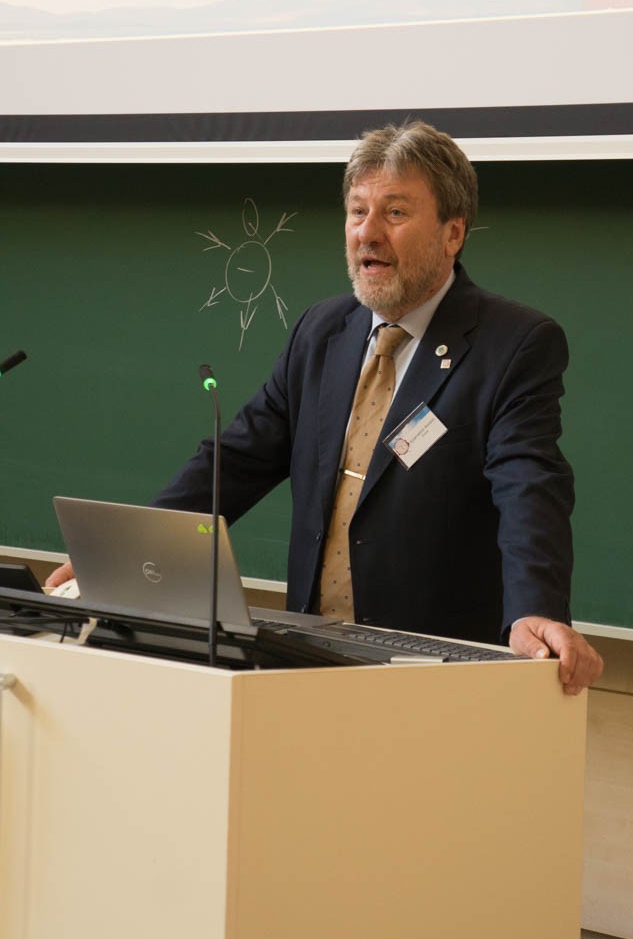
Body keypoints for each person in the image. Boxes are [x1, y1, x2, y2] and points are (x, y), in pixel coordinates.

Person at [47, 121, 602, 694]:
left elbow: (529, 484)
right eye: (357, 211)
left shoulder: (512, 345)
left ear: (453, 233)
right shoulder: (322, 331)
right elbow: (236, 459)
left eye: (395, 213)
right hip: (305, 656)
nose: (368, 233)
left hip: (433, 668)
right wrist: (123, 556)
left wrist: (536, 608)